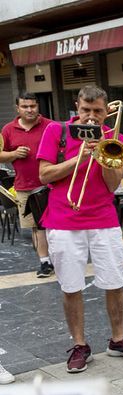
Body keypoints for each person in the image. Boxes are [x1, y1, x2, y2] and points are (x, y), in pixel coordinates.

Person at [36, 85, 123, 373]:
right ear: (77, 107)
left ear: (106, 111)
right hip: (63, 220)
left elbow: (113, 186)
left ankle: (118, 339)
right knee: (71, 286)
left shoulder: (116, 138)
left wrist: (101, 151)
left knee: (115, 282)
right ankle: (79, 344)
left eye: (97, 111)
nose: (91, 117)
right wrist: (79, 159)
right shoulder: (56, 132)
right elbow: (44, 173)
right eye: (86, 110)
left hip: (104, 220)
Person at [0, 92, 53, 277]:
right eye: (25, 106)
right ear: (18, 108)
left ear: (38, 106)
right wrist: (13, 154)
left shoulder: (50, 125)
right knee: (36, 227)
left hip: (52, 184)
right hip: (24, 186)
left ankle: (60, 259)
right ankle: (45, 262)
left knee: (55, 225)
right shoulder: (8, 129)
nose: (29, 110)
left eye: (33, 106)